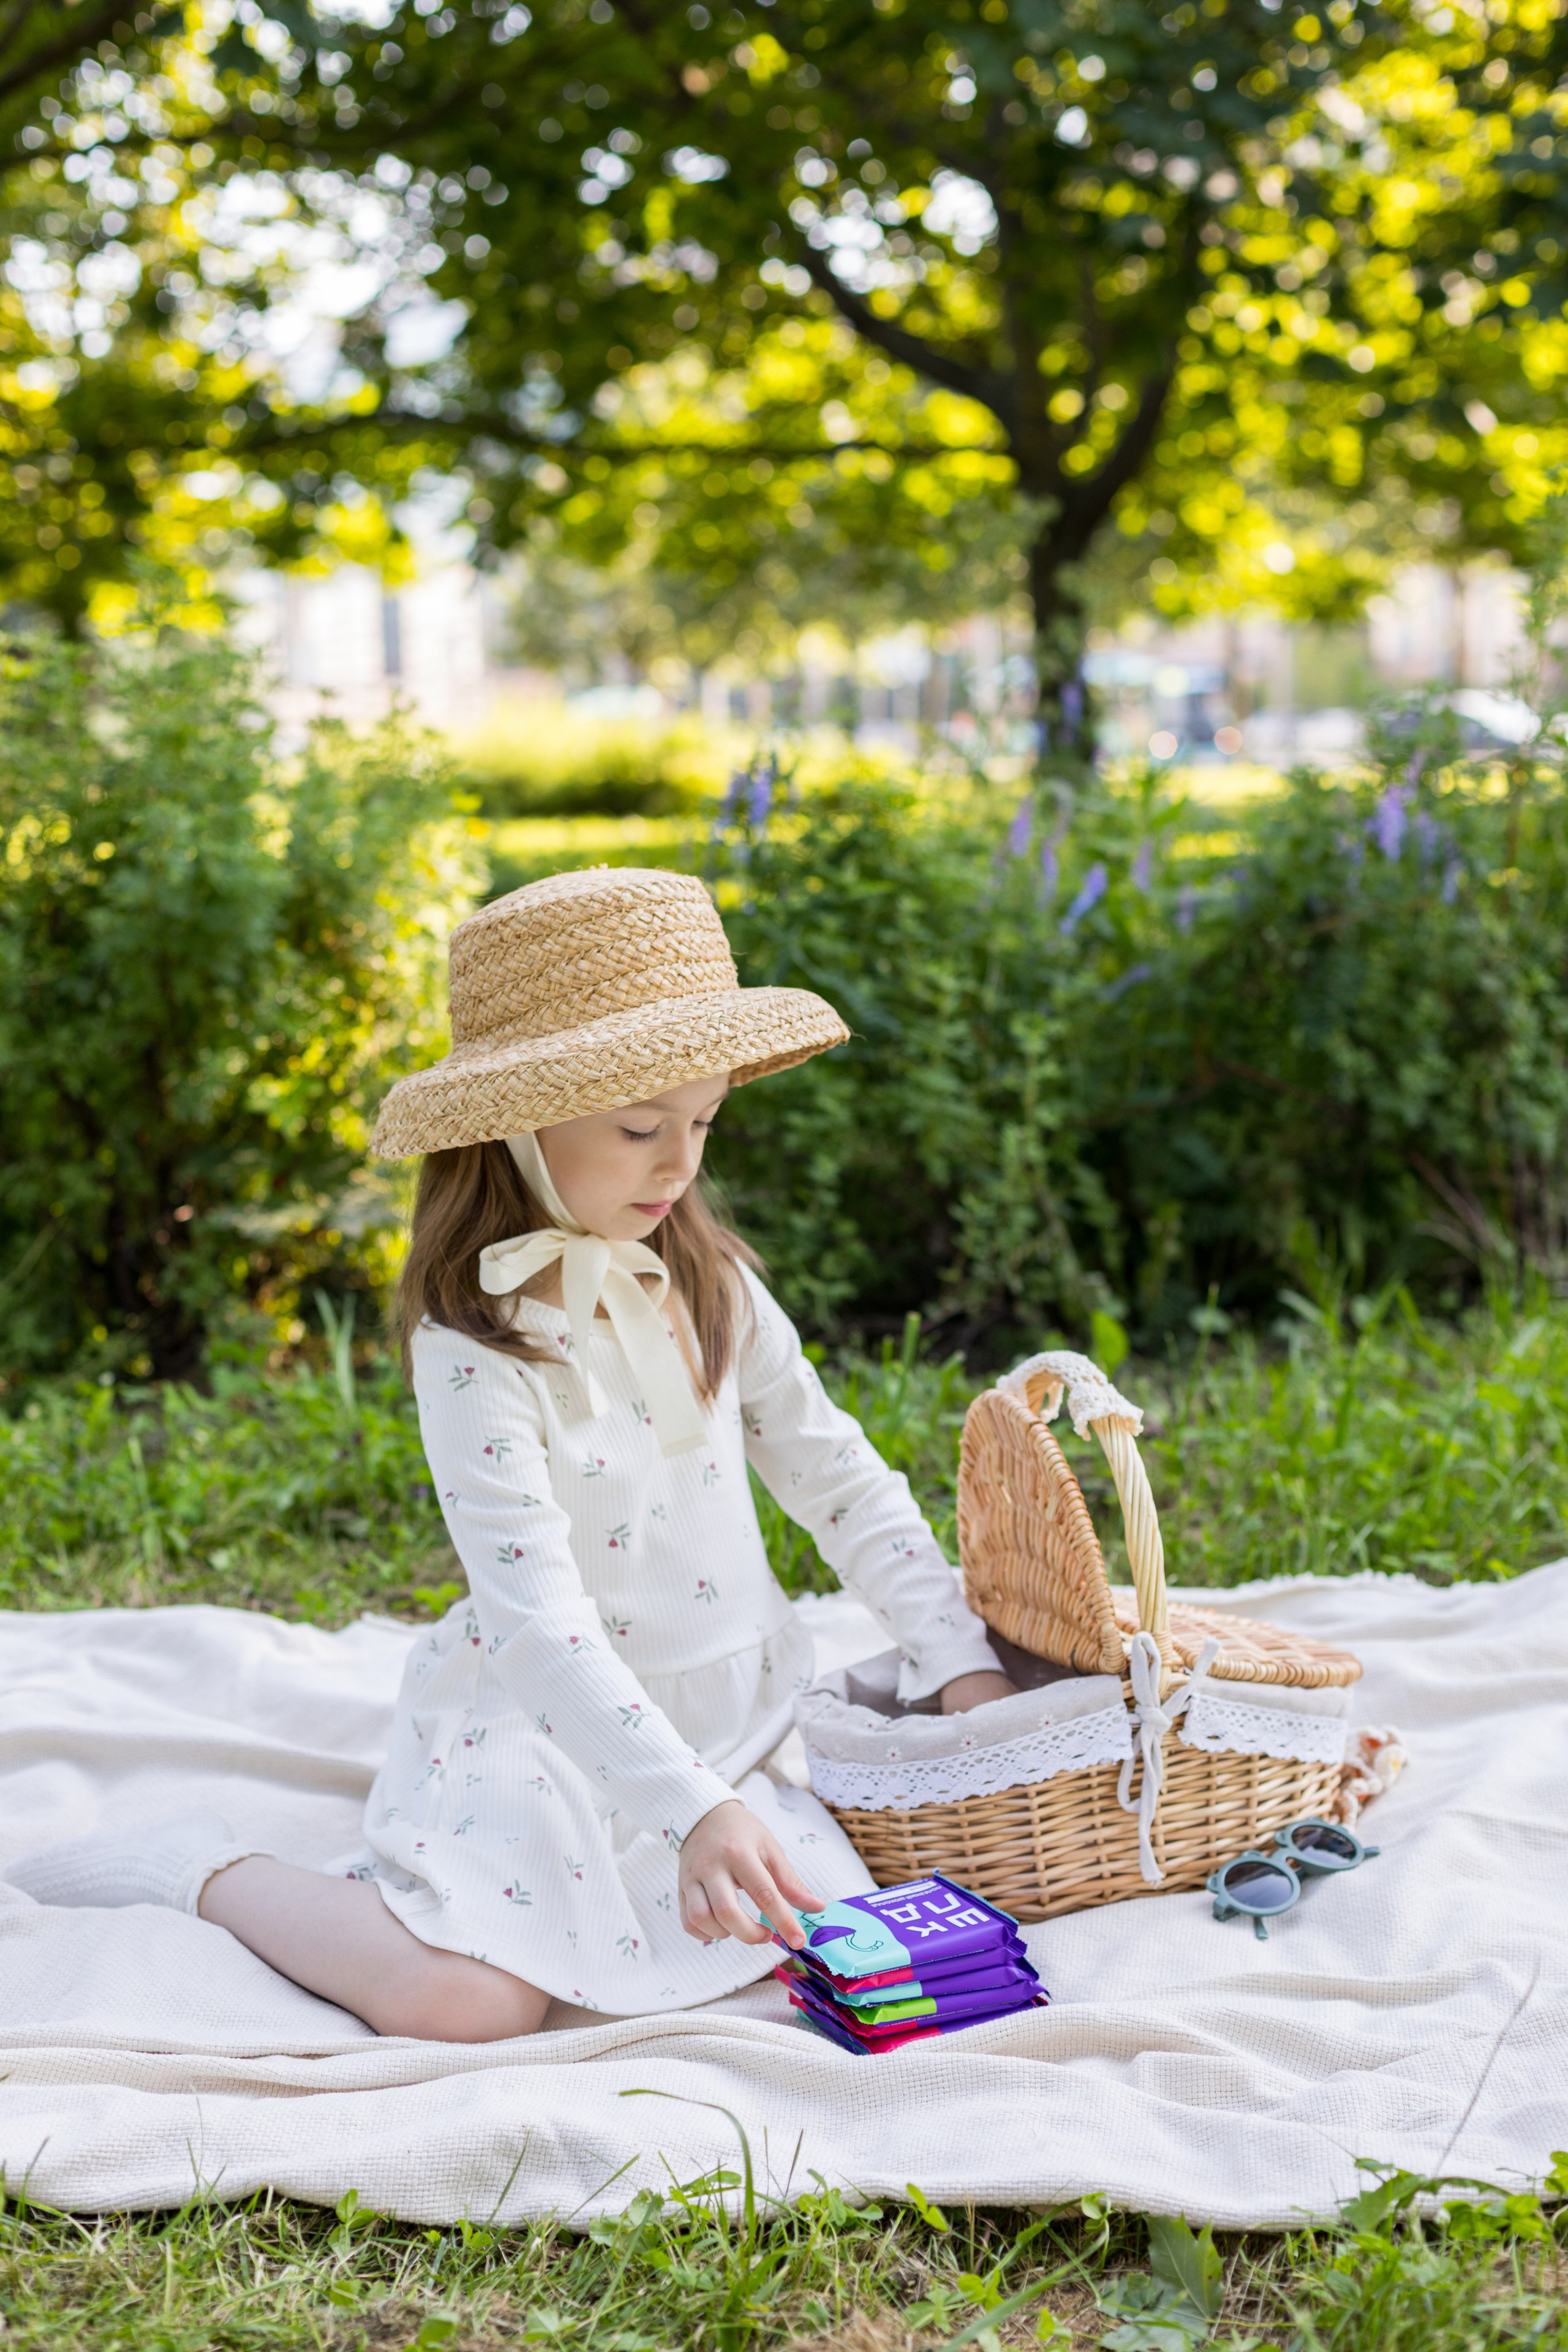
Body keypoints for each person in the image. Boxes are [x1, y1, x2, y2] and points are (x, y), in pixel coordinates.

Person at [8, 868, 1014, 2041]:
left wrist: (957, 1660)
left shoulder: (716, 1284)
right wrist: (685, 1811)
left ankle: (695, 1839)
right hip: (544, 1721)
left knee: (823, 1953)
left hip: (723, 1724)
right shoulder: (475, 1345)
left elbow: (835, 1477)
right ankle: (211, 1871)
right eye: (639, 1129)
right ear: (518, 1129)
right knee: (469, 2001)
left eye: (703, 1121)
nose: (679, 1164)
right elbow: (535, 1618)